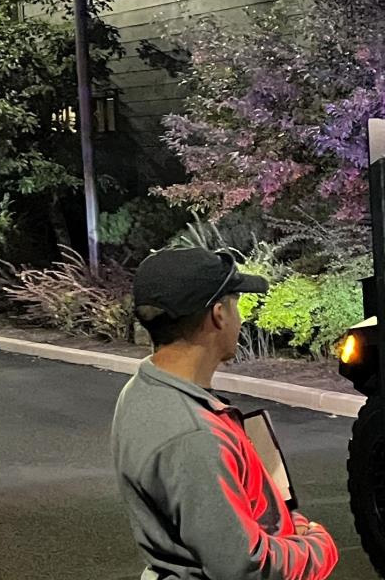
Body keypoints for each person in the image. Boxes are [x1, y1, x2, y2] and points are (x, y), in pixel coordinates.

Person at [111, 247, 339, 580]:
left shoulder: (143, 390)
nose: (241, 319)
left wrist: (291, 523)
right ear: (218, 315)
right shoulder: (193, 436)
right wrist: (319, 546)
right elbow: (244, 568)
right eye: (236, 305)